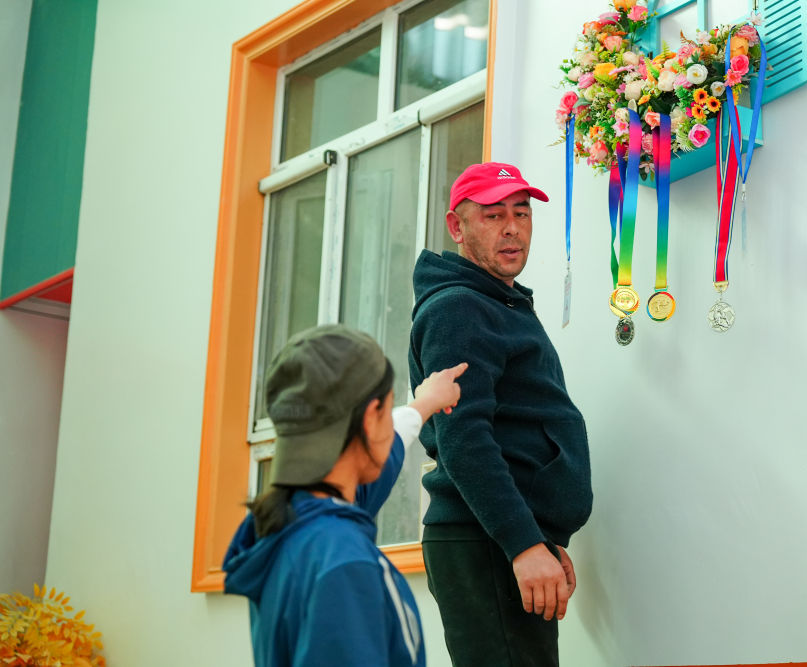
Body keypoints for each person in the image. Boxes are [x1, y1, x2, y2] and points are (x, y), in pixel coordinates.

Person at [408, 162, 593, 666]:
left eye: (521, 213)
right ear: (457, 226)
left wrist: (540, 537)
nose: (512, 227)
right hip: (486, 541)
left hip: (503, 538)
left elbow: (516, 425)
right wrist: (522, 544)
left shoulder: (498, 303)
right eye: (493, 215)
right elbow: (464, 438)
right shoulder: (459, 308)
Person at [223, 324, 467, 667]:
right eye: (387, 409)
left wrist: (423, 404)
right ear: (370, 418)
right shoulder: (344, 564)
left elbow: (377, 457)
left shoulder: (288, 528)